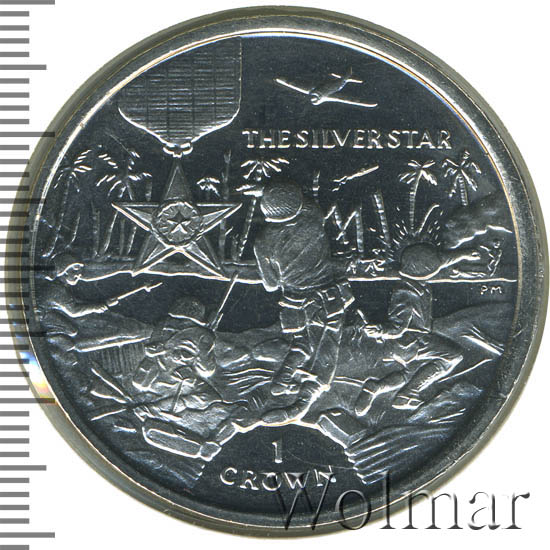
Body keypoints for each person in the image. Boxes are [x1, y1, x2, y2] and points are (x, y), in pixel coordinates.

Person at [244, 181, 354, 423]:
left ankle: (283, 379)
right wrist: (269, 189)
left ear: (266, 209)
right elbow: (308, 205)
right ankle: (301, 404)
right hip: (326, 300)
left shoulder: (262, 242)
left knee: (301, 343)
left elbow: (271, 284)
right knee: (327, 347)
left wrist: (266, 194)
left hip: (293, 303)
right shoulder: (313, 221)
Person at [355, 243, 466, 414]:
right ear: (423, 271)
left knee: (409, 372)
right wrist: (381, 330)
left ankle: (376, 387)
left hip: (410, 341)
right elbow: (398, 326)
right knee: (453, 355)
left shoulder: (418, 286)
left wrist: (466, 253)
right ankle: (408, 393)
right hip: (410, 341)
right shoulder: (406, 293)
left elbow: (443, 260)